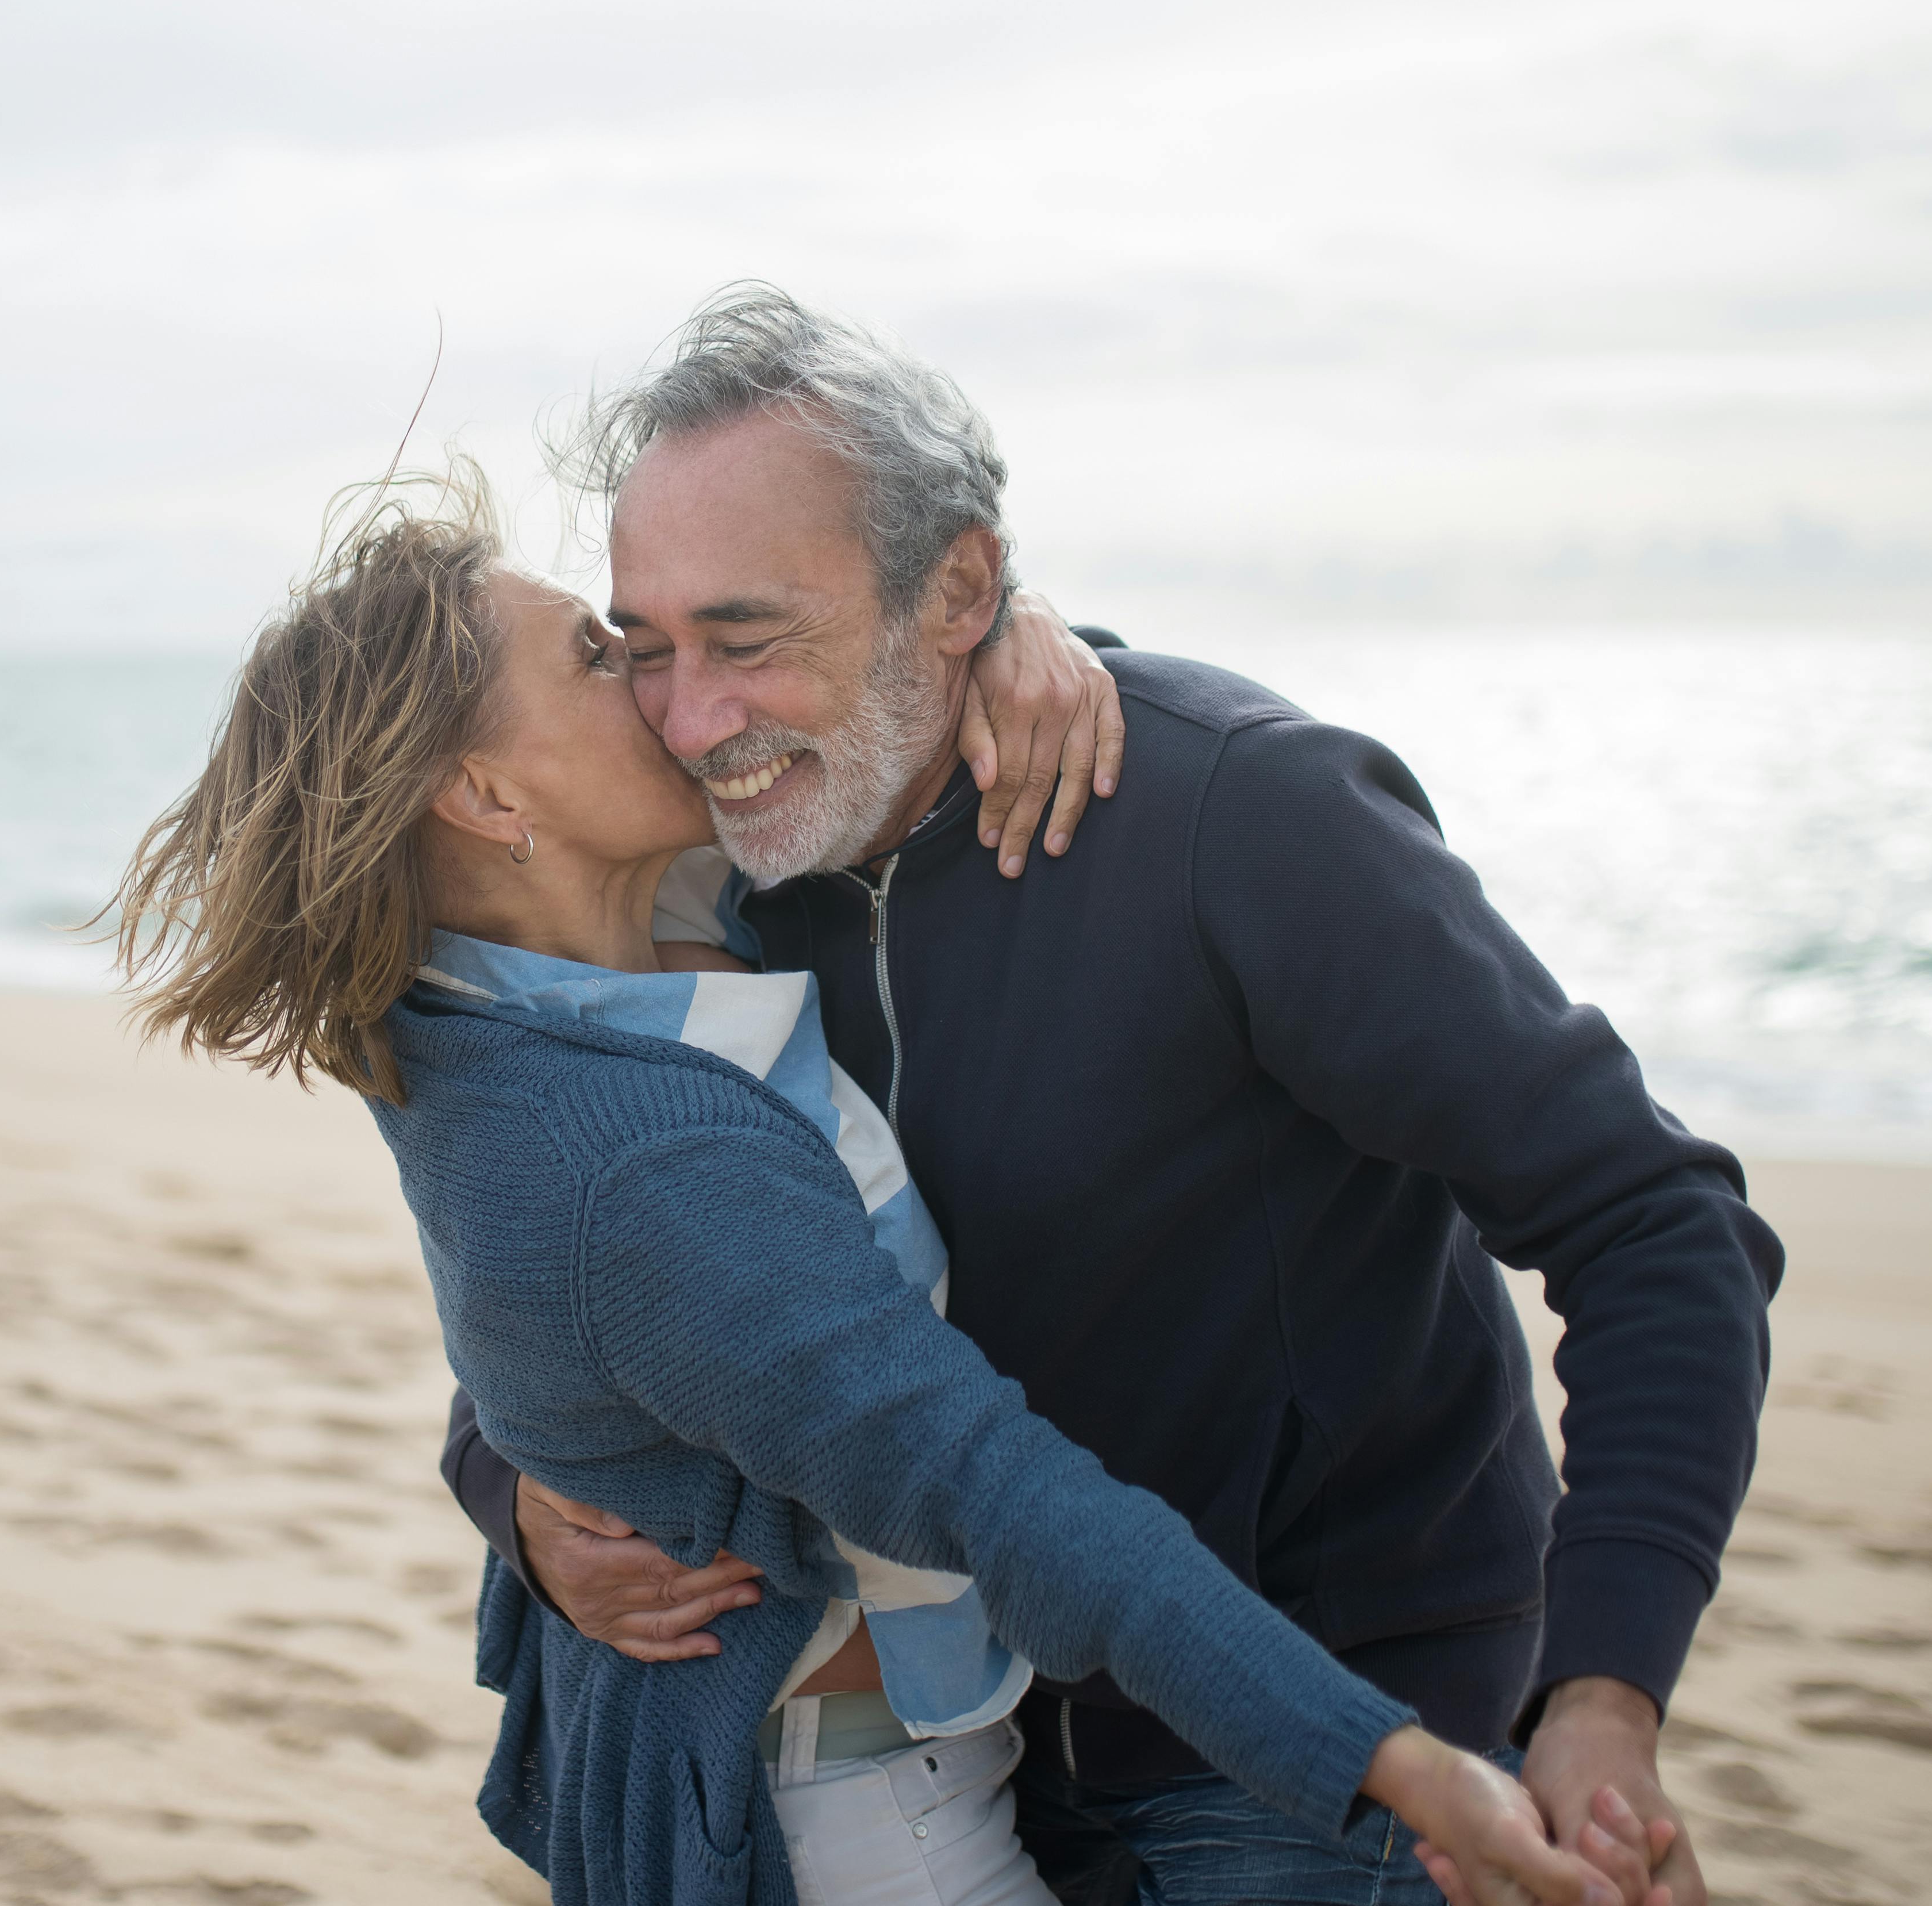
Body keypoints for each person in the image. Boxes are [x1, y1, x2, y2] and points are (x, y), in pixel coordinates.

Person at [109, 461, 1657, 1906]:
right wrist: (1401, 1772)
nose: (674, 698)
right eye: (606, 654)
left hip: (1022, 1722)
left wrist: (1003, 633)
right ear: (491, 805)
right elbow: (979, 1482)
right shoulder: (634, 1159)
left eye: (669, 637)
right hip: (877, 1814)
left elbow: (860, 730)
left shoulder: (600, 946)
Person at [439, 286, 1784, 1906]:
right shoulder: (711, 893)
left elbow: (1657, 1225)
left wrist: (1605, 1693)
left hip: (1334, 1744)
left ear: (959, 590)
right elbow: (615, 1267)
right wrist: (514, 1493)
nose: (695, 718)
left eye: (749, 639)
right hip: (966, 1761)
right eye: (645, 651)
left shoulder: (1242, 820)